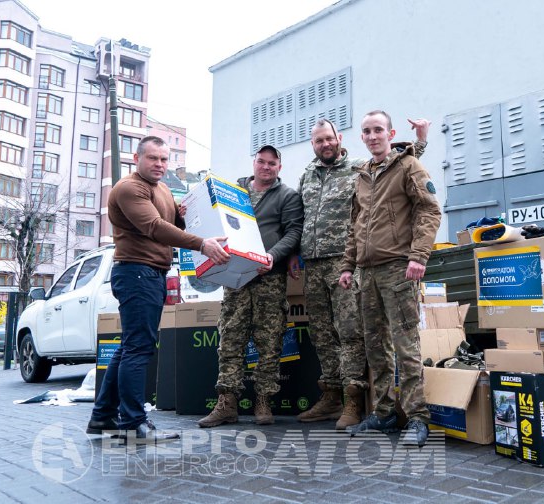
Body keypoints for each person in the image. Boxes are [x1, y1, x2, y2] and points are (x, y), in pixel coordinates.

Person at [290, 118, 429, 430]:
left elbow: (409, 180)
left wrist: (420, 141)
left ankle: (402, 414)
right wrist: (340, 264)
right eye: (318, 141)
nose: (324, 144)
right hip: (340, 266)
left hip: (380, 264)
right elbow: (346, 223)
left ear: (339, 138)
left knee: (378, 339)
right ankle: (365, 407)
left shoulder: (360, 168)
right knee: (349, 340)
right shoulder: (318, 176)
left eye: (329, 138)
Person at [87, 136, 229, 440]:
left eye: (164, 159)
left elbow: (178, 217)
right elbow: (154, 226)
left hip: (151, 274)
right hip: (136, 272)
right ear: (137, 157)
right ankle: (134, 423)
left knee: (129, 347)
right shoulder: (129, 188)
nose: (160, 165)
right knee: (138, 348)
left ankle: (103, 417)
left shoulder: (162, 188)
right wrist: (202, 244)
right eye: (153, 158)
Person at [339, 111, 441, 447]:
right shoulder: (362, 175)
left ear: (390, 133)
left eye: (378, 130)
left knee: (405, 345)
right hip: (367, 273)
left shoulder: (408, 167)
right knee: (376, 347)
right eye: (366, 131)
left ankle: (417, 418)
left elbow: (429, 210)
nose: (372, 136)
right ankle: (383, 413)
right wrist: (347, 266)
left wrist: (418, 256)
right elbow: (356, 226)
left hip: (399, 267)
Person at [198, 145, 303, 427]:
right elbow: (209, 217)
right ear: (253, 162)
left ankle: (263, 402)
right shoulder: (233, 191)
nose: (266, 167)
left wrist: (275, 255)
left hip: (269, 276)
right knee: (231, 340)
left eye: (272, 163)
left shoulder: (288, 196)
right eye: (261, 161)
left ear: (279, 167)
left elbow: (294, 231)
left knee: (269, 343)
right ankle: (227, 403)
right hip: (235, 277)